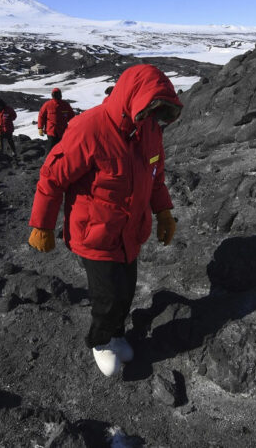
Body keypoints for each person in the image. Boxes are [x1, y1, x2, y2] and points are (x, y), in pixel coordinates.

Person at [27, 64, 183, 377]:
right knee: (107, 296)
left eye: (161, 111)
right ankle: (100, 341)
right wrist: (42, 225)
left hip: (129, 234)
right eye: (152, 109)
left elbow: (155, 176)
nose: (155, 117)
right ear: (133, 98)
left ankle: (116, 333)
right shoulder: (90, 128)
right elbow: (52, 177)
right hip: (94, 235)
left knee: (126, 290)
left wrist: (163, 211)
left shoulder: (150, 130)